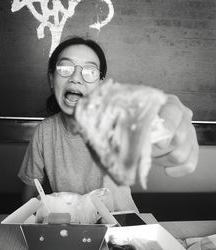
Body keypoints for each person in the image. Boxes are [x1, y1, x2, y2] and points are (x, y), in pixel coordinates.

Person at [18, 36, 199, 212]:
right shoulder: (45, 131)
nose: (75, 78)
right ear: (51, 79)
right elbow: (30, 192)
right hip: (71, 230)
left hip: (122, 229)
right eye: (65, 68)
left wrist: (164, 123)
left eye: (90, 72)